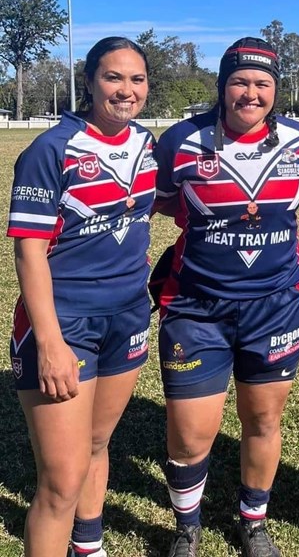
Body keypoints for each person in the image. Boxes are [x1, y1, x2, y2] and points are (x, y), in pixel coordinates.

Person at [153, 37, 299, 557]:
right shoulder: (181, 141)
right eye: (239, 82)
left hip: (275, 306)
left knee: (263, 420)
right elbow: (163, 205)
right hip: (195, 308)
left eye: (262, 83)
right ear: (222, 86)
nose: (250, 93)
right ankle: (187, 526)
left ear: (276, 89)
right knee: (189, 435)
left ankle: (253, 521)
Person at [7, 37, 156, 557]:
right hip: (64, 322)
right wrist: (50, 344)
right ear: (90, 81)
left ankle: (88, 547)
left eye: (137, 79)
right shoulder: (51, 149)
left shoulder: (147, 144)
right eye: (113, 77)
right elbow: (28, 252)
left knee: (96, 444)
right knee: (60, 483)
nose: (126, 89)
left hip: (128, 316)